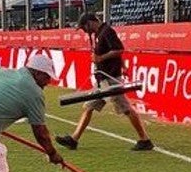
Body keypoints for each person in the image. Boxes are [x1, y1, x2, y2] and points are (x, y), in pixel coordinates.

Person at [55, 13, 154, 151]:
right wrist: (122, 65)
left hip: (110, 79)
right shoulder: (99, 34)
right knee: (89, 107)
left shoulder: (107, 32)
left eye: (84, 28)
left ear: (90, 22)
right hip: (102, 79)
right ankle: (74, 139)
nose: (84, 32)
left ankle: (145, 140)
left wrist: (100, 58)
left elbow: (119, 49)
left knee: (126, 109)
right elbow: (116, 51)